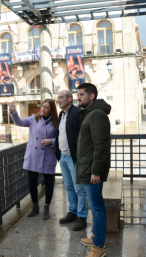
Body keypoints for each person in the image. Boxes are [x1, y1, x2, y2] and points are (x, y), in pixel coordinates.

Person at [6, 99, 58, 220]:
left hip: (48, 155)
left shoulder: (56, 122)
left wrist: (51, 141)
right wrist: (13, 111)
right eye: (42, 106)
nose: (43, 109)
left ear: (52, 110)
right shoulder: (34, 118)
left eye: (46, 107)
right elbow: (19, 122)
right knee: (32, 183)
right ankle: (35, 206)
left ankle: (46, 207)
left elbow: (60, 137)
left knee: (49, 184)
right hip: (33, 155)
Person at [76, 83, 111, 257]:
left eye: (81, 94)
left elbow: (101, 145)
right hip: (89, 167)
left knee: (96, 207)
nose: (78, 97)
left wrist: (96, 171)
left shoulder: (96, 114)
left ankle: (99, 246)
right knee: (98, 205)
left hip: (92, 170)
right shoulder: (91, 113)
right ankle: (98, 236)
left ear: (91, 96)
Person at [55, 90, 87, 231]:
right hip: (63, 156)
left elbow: (83, 134)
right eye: (58, 97)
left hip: (74, 157)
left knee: (79, 188)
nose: (58, 100)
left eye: (61, 97)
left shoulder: (77, 112)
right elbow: (60, 134)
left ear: (69, 99)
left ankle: (82, 217)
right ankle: (73, 212)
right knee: (69, 187)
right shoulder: (62, 114)